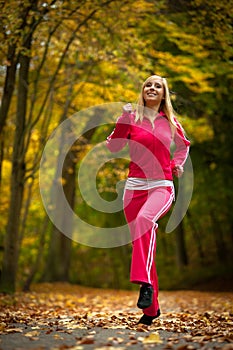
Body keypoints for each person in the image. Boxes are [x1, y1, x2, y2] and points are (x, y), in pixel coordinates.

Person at [106, 75, 190, 325]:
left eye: (157, 86)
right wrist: (122, 119)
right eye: (148, 85)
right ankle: (152, 310)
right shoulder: (131, 119)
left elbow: (184, 146)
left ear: (163, 94)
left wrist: (177, 164)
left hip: (161, 186)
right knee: (142, 246)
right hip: (133, 188)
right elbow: (113, 146)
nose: (152, 88)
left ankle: (143, 284)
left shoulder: (171, 122)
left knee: (145, 222)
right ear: (142, 92)